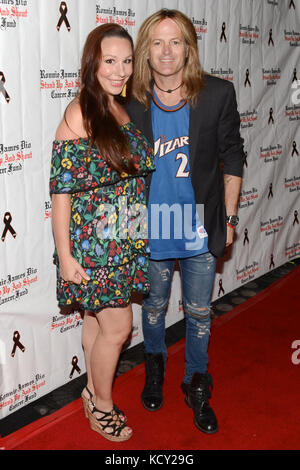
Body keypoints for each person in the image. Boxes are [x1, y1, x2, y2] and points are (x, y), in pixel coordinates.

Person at [127, 9, 244, 434]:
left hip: (199, 227)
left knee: (198, 312)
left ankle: (196, 383)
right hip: (153, 226)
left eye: (175, 41)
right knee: (155, 309)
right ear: (145, 50)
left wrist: (230, 217)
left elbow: (232, 155)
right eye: (157, 42)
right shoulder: (130, 101)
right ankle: (154, 367)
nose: (166, 51)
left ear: (189, 47)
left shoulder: (216, 94)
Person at [50, 23, 154, 442]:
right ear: (92, 64)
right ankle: (103, 407)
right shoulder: (81, 112)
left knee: (96, 323)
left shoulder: (121, 107)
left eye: (127, 61)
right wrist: (66, 257)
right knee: (119, 326)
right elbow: (61, 192)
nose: (120, 70)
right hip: (95, 248)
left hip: (125, 237)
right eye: (110, 61)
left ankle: (91, 394)